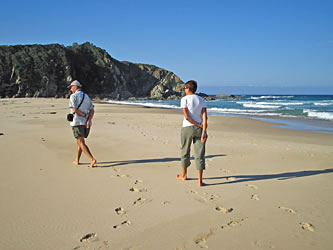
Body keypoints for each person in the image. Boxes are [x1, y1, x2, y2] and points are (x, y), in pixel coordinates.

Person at [177, 80, 208, 186]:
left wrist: (198, 125)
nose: (184, 90)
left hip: (187, 128)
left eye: (184, 88)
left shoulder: (184, 99)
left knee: (185, 151)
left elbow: (187, 117)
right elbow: (204, 116)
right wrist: (203, 129)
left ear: (188, 88)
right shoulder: (202, 99)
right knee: (200, 154)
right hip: (200, 129)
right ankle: (200, 181)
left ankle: (184, 175)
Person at [68, 80, 97, 168]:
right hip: (85, 122)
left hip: (77, 121)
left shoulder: (73, 96)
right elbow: (92, 110)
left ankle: (92, 159)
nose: (70, 89)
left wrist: (84, 115)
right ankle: (77, 160)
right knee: (81, 141)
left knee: (80, 141)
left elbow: (75, 110)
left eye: (71, 87)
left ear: (75, 87)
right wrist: (88, 119)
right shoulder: (86, 96)